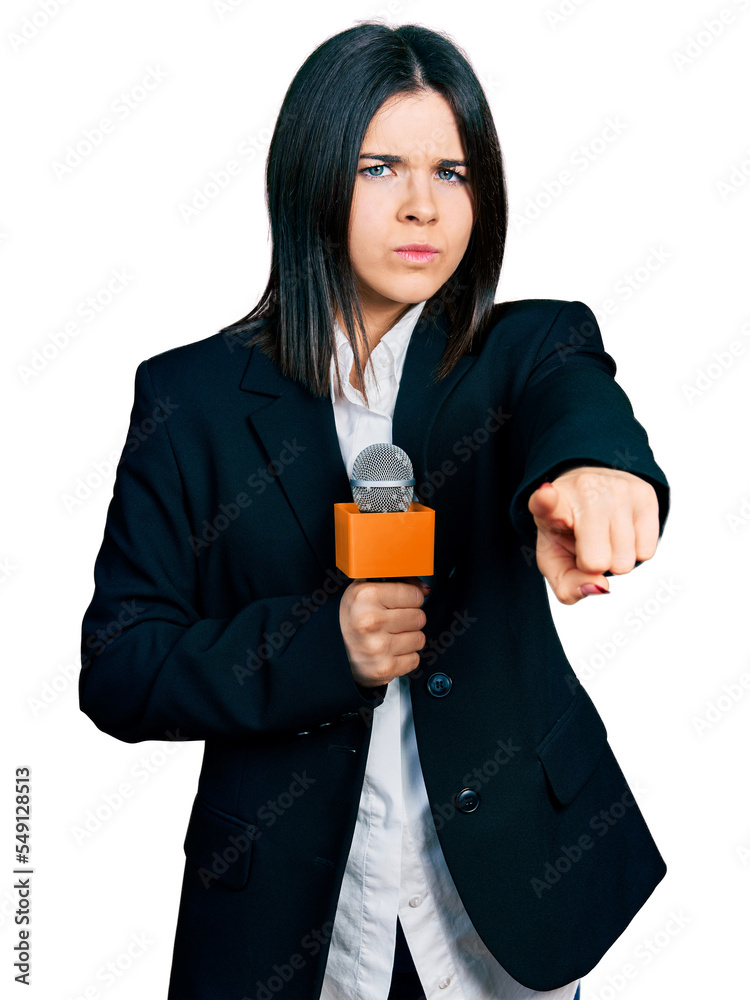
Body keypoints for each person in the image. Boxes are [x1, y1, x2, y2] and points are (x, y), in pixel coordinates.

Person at [79, 20, 670, 1000]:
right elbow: (122, 668)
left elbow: (579, 408)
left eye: (453, 172)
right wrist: (323, 646)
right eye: (379, 166)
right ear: (312, 175)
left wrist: (604, 476)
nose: (420, 206)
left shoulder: (525, 348)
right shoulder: (191, 400)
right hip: (291, 918)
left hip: (504, 909)